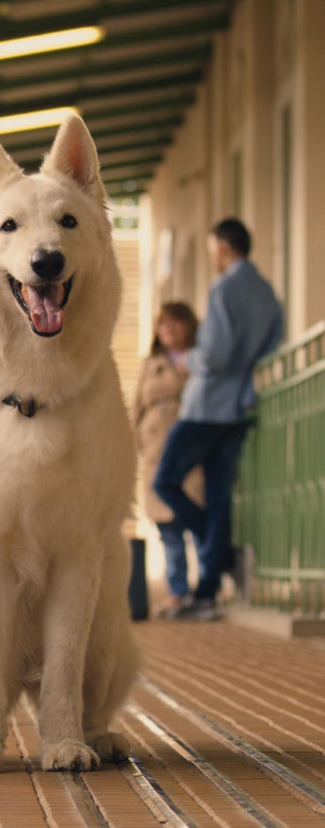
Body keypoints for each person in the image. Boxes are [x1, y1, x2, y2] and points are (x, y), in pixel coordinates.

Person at [153, 218, 283, 620]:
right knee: (218, 499)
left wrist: (188, 359)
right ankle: (207, 590)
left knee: (165, 481)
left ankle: (220, 554)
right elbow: (271, 349)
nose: (213, 258)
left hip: (207, 406)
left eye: (213, 251)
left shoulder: (225, 288)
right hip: (240, 409)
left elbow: (214, 356)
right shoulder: (268, 295)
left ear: (224, 249)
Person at [133, 302, 204, 617]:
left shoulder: (200, 358)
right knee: (167, 527)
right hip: (154, 449)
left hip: (190, 447)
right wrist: (137, 441)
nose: (169, 331)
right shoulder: (151, 364)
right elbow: (136, 404)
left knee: (196, 518)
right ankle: (177, 591)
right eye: (164, 326)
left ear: (188, 326)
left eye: (175, 324)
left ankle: (205, 590)